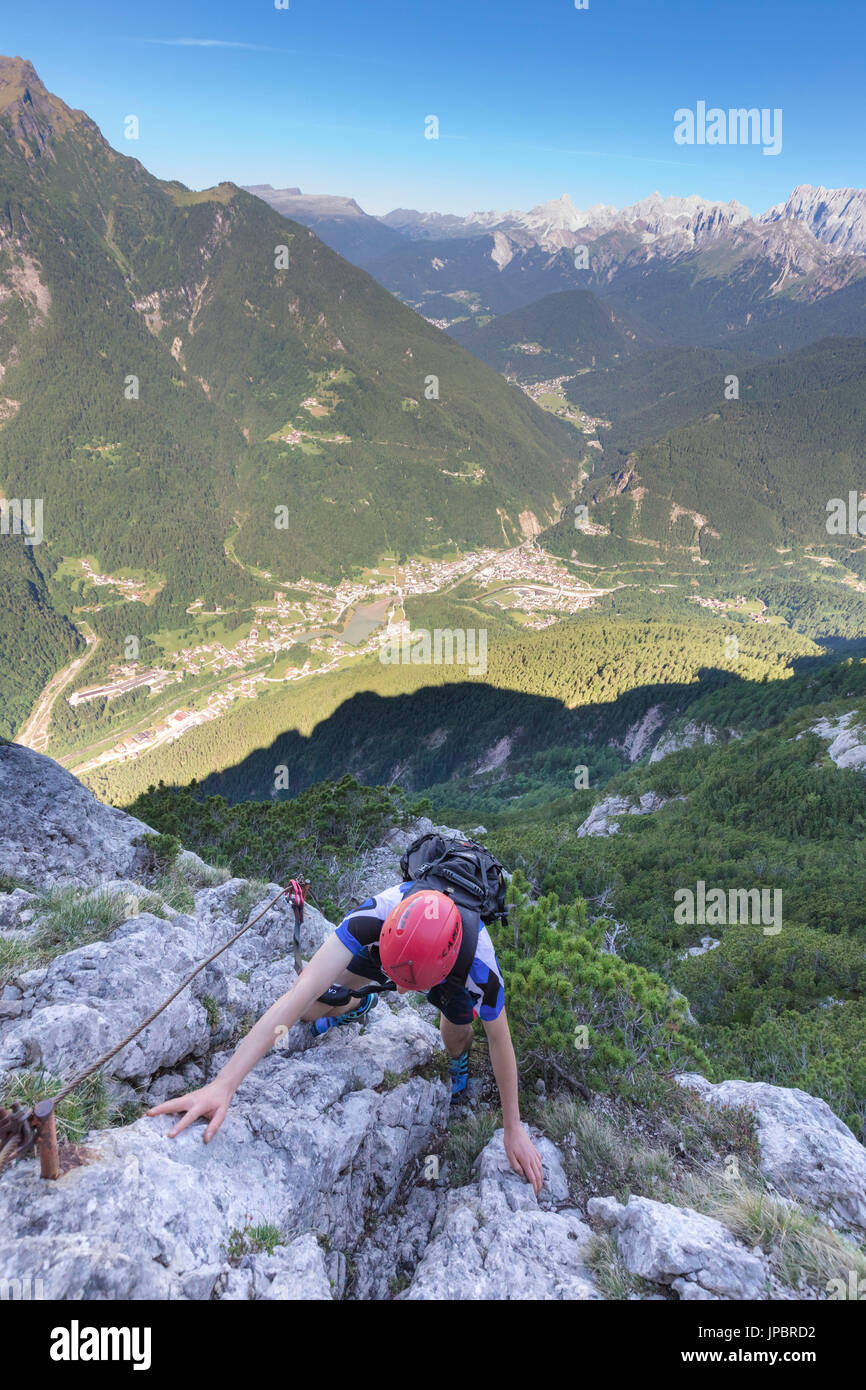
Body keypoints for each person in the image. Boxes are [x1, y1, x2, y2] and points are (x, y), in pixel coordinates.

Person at [147, 881, 544, 1194]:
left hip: (448, 972)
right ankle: (357, 1004)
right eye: (397, 982)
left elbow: (499, 1041)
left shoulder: (480, 970)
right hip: (395, 952)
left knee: (456, 1033)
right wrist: (223, 1084)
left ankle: (456, 1067)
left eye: (411, 987)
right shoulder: (372, 917)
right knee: (310, 1008)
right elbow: (297, 994)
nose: (402, 994)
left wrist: (514, 1127)